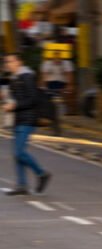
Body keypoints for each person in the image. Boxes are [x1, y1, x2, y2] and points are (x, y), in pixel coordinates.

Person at [2, 53, 51, 196]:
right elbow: (15, 98)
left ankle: (41, 173)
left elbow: (33, 99)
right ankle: (21, 185)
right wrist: (6, 101)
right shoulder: (14, 78)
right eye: (6, 62)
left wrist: (14, 105)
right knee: (17, 154)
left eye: (11, 61)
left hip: (28, 119)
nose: (8, 64)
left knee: (19, 152)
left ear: (19, 62)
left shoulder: (27, 77)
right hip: (18, 119)